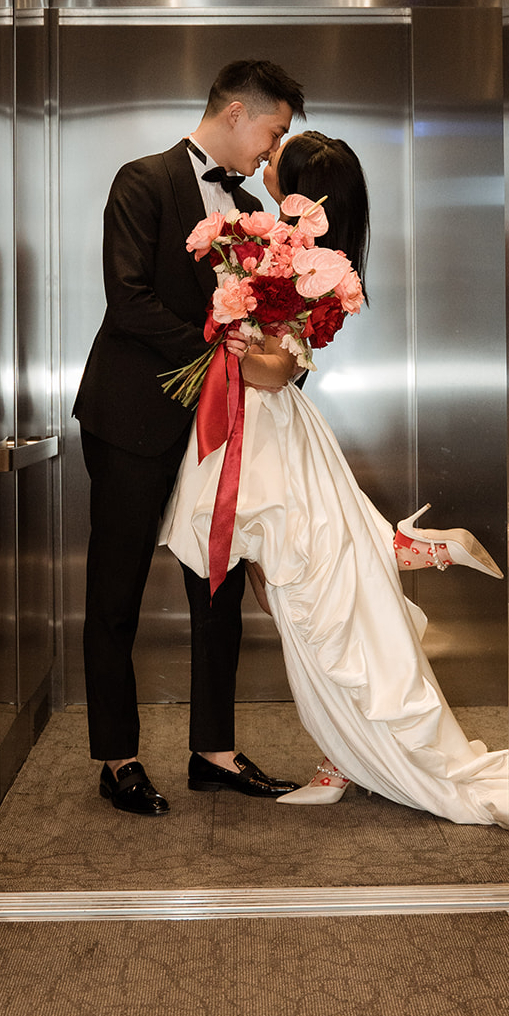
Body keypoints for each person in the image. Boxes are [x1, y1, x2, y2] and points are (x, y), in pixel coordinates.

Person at [160, 130, 509, 826]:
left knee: (306, 603)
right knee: (298, 592)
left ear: (304, 191)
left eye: (273, 161)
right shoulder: (289, 250)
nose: (262, 163)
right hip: (261, 428)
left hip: (263, 426)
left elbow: (279, 366)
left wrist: (238, 341)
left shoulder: (306, 263)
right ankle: (392, 551)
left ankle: (344, 753)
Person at [73, 59, 306, 816]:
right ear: (237, 112)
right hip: (134, 419)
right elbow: (128, 300)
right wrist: (217, 350)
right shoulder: (141, 181)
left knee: (220, 584)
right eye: (272, 134)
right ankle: (118, 757)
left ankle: (214, 750)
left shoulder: (247, 210)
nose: (271, 155)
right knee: (116, 592)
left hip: (217, 428)